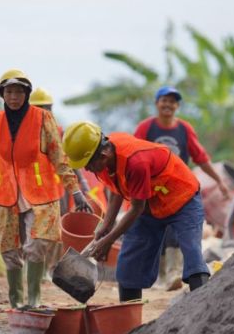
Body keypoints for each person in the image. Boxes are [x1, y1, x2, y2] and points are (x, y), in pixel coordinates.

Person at [0, 69, 92, 310]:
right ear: (2, 94)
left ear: (27, 94)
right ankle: (16, 301)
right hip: (6, 197)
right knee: (9, 252)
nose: (14, 97)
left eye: (19, 92)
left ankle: (33, 299)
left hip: (40, 196)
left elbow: (60, 157)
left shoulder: (43, 120)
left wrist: (75, 190)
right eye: (9, 92)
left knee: (37, 245)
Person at [62, 121, 209, 303]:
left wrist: (108, 241)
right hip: (150, 204)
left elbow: (136, 208)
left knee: (192, 251)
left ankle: (203, 308)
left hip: (181, 197)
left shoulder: (135, 162)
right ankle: (129, 320)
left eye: (88, 164)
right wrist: (105, 226)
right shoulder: (106, 160)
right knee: (130, 263)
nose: (87, 169)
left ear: (103, 154)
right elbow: (117, 190)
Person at [134, 85, 229, 290]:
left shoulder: (184, 129)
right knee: (153, 230)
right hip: (151, 189)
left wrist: (219, 181)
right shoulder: (146, 128)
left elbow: (201, 158)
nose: (168, 105)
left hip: (178, 188)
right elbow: (134, 154)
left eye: (173, 101)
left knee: (176, 228)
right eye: (164, 100)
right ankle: (157, 277)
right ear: (157, 103)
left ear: (177, 106)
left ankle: (174, 274)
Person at [29, 87, 95, 215]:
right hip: (33, 188)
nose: (45, 112)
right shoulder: (26, 135)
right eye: (40, 108)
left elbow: (69, 161)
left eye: (48, 108)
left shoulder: (59, 133)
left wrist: (82, 182)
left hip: (58, 185)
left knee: (60, 218)